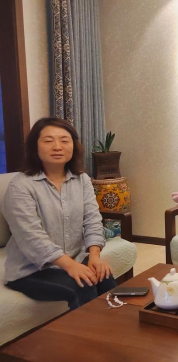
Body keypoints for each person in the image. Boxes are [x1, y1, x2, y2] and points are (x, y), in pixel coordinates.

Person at [3, 118, 116, 310]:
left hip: (75, 257)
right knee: (83, 285)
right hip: (32, 270)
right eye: (48, 141)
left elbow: (92, 219)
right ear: (35, 147)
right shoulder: (20, 186)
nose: (57, 146)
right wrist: (70, 266)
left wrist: (94, 256)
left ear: (73, 146)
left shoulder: (82, 180)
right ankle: (89, 331)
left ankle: (116, 327)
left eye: (64, 140)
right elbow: (31, 237)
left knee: (105, 279)